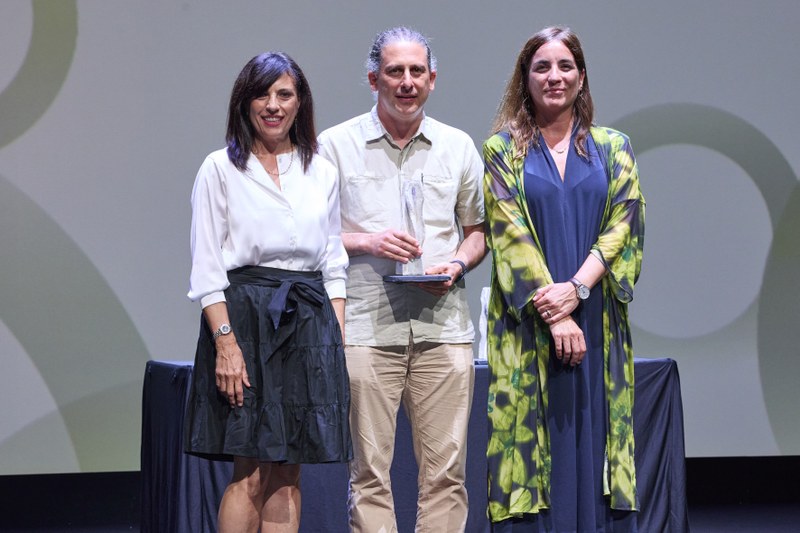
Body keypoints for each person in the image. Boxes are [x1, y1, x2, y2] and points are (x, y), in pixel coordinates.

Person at [318, 26, 486, 532]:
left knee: (447, 475)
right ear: (374, 79)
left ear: (433, 79)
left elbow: (477, 233)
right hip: (366, 330)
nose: (407, 81)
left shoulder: (457, 146)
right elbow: (311, 238)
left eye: (417, 71)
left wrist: (456, 265)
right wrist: (368, 241)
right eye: (395, 71)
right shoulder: (334, 146)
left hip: (443, 329)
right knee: (369, 474)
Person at [483, 27, 645, 532]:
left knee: (595, 435)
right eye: (542, 67)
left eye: (565, 66)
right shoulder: (501, 151)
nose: (554, 76)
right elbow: (508, 233)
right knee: (529, 441)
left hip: (595, 318)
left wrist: (577, 290)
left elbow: (624, 222)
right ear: (525, 78)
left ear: (581, 76)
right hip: (529, 322)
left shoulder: (614, 147)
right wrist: (555, 314)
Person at [183, 52, 351, 533]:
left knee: (289, 469)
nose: (273, 105)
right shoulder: (220, 168)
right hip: (247, 321)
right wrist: (226, 344)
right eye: (262, 94)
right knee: (251, 469)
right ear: (245, 102)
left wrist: (334, 336)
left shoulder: (321, 170)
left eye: (284, 94)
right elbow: (207, 268)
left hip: (309, 321)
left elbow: (333, 260)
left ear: (300, 103)